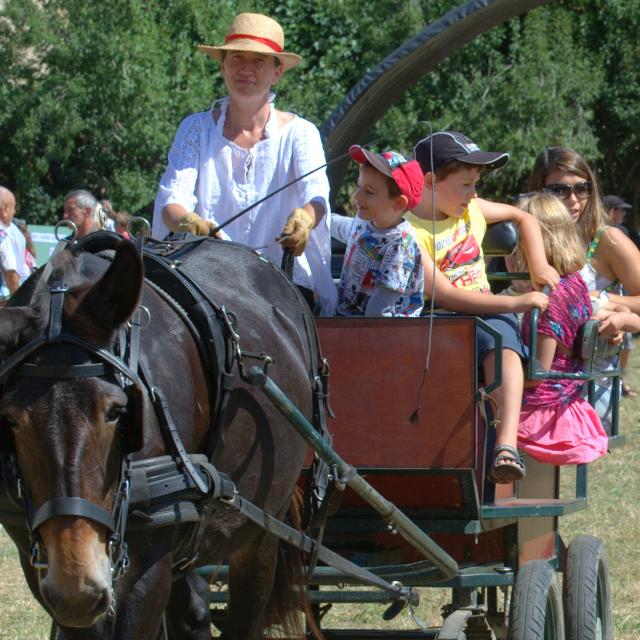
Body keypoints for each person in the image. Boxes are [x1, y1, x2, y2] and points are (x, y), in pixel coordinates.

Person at [152, 12, 335, 314]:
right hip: (206, 280)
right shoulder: (195, 130)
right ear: (223, 66)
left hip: (282, 281)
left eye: (259, 60)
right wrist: (188, 222)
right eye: (237, 58)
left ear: (277, 73)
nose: (246, 69)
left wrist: (304, 220)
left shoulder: (301, 134)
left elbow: (316, 196)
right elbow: (172, 198)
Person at [406, 131, 558, 484]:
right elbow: (444, 295)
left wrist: (537, 264)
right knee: (497, 322)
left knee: (503, 345)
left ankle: (505, 447)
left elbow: (525, 219)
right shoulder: (410, 232)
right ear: (429, 181)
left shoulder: (470, 209)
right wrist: (516, 301)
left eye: (475, 184)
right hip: (435, 320)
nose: (474, 194)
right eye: (465, 184)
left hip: (487, 315)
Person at [528, 147, 640, 427]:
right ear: (539, 190)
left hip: (587, 381)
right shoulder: (526, 238)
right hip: (534, 370)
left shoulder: (607, 240)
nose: (574, 200)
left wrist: (606, 302)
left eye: (582, 188)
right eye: (560, 190)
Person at [514, 192, 608, 464]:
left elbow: (536, 374)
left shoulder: (549, 300)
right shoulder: (575, 281)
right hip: (567, 394)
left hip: (543, 410)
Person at [330, 147, 424, 316]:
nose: (357, 197)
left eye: (369, 192)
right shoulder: (364, 223)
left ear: (399, 204)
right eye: (359, 186)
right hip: (347, 322)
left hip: (381, 332)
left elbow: (380, 309)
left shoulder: (400, 245)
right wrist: (313, 218)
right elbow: (341, 227)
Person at [603, 194, 639, 397]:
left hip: (618, 301)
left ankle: (620, 379)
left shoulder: (619, 235)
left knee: (625, 343)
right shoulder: (611, 235)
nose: (623, 214)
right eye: (620, 210)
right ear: (610, 211)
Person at [0, 187, 33, 300]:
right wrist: (17, 302)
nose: (14, 212)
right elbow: (12, 272)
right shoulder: (5, 235)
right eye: (13, 206)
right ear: (5, 209)